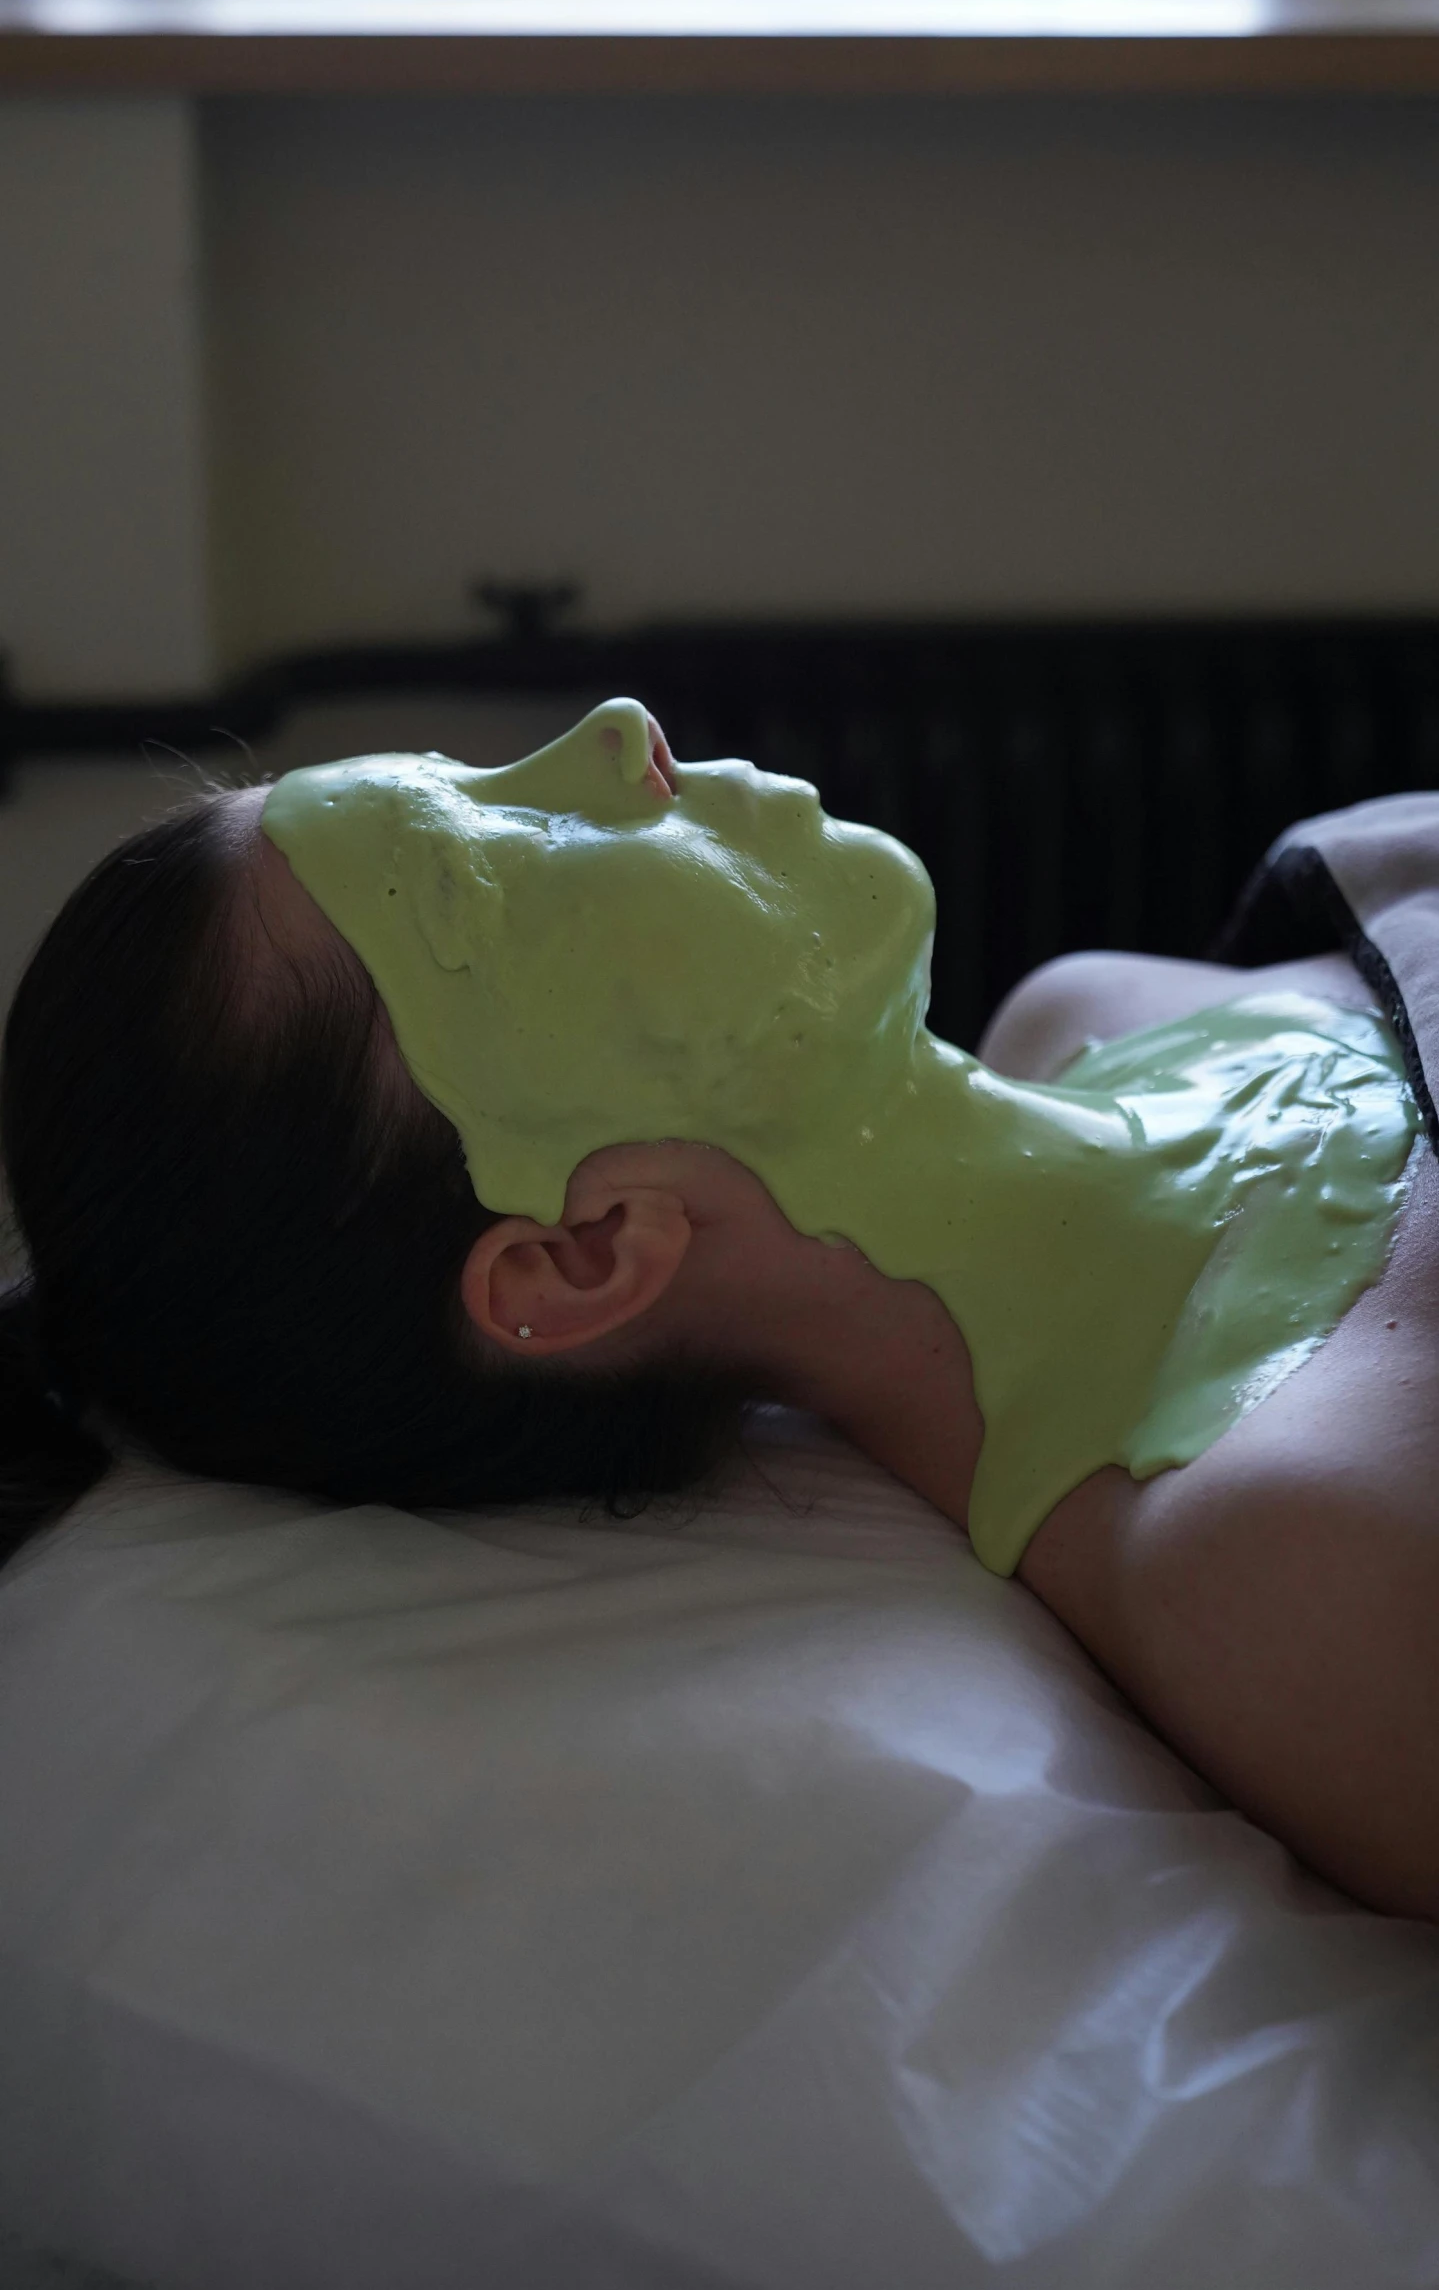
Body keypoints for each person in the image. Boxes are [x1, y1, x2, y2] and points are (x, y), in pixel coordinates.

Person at [2, 701, 1437, 1923]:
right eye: (480, 873)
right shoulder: (1307, 1553)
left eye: (463, 771)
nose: (621, 736)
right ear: (580, 1257)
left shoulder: (1087, 1014)